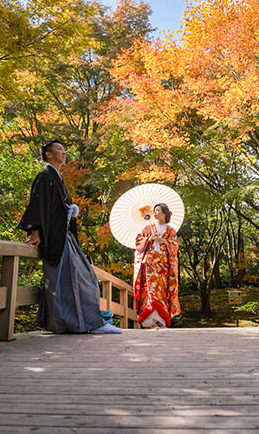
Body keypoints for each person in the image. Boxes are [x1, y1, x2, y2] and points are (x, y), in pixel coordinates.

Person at [19, 139, 122, 334]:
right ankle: (86, 324)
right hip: (54, 239)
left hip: (63, 237)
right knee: (73, 280)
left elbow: (55, 207)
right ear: (48, 154)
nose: (64, 152)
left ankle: (82, 323)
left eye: (64, 149)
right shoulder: (45, 176)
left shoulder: (56, 177)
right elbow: (37, 203)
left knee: (82, 277)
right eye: (59, 149)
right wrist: (34, 231)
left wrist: (70, 210)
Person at [133, 202, 180, 329]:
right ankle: (149, 321)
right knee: (149, 290)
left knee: (161, 291)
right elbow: (138, 243)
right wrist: (148, 239)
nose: (155, 213)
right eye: (154, 210)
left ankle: (161, 321)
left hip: (163, 265)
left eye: (158, 210)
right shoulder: (148, 229)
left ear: (165, 213)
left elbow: (175, 245)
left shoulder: (170, 231)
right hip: (149, 264)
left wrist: (163, 240)